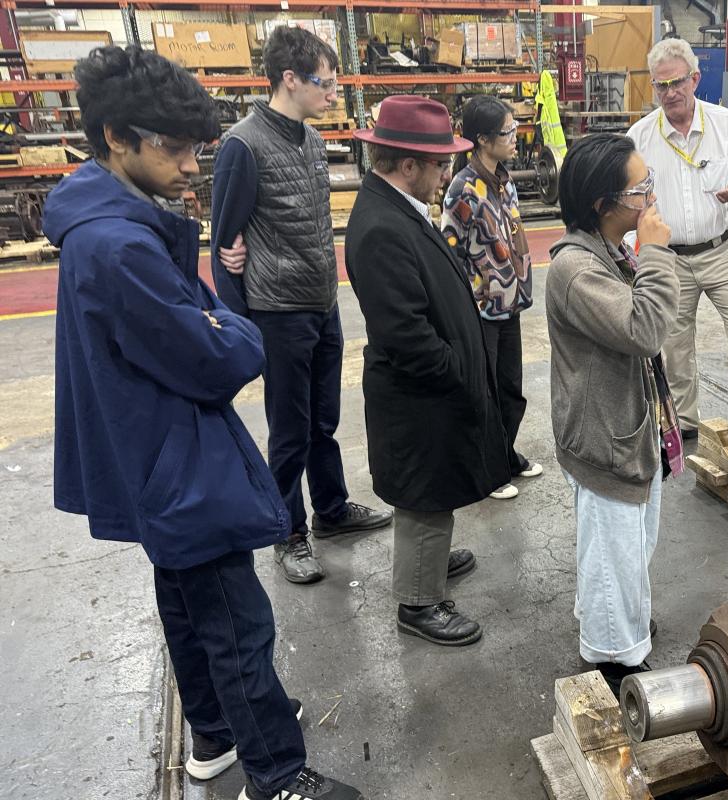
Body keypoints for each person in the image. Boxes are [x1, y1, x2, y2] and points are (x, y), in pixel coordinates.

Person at [46, 45, 362, 800]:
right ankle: (278, 775)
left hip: (154, 456)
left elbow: (207, 317)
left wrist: (216, 317)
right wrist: (230, 326)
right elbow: (222, 356)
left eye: (196, 148)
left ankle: (217, 735)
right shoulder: (119, 248)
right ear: (118, 137)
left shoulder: (113, 223)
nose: (193, 167)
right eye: (176, 148)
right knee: (235, 622)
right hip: (179, 463)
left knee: (188, 607)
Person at [210, 26, 391, 586]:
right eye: (326, 82)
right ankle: (286, 532)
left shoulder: (312, 143)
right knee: (289, 430)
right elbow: (224, 244)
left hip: (321, 305)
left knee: (325, 421)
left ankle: (331, 510)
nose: (334, 93)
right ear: (290, 79)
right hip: (277, 313)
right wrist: (244, 325)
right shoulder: (242, 145)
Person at [345, 95, 511, 647]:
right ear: (408, 165)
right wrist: (457, 372)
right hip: (418, 395)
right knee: (424, 497)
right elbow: (408, 338)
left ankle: (430, 562)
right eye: (440, 164)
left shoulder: (396, 210)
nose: (447, 174)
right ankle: (419, 601)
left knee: (435, 490)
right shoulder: (381, 230)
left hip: (429, 391)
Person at [545, 133, 682, 694]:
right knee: (614, 548)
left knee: (625, 544)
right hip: (604, 434)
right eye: (639, 189)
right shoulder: (577, 271)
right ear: (603, 205)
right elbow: (644, 330)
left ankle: (615, 621)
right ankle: (612, 658)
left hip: (625, 424)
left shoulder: (608, 252)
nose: (648, 200)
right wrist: (657, 255)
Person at [626, 38, 728, 459]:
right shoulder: (640, 138)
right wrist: (637, 254)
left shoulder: (727, 126)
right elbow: (628, 198)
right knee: (674, 342)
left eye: (677, 83)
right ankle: (683, 421)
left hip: (724, 252)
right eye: (660, 86)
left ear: (695, 79)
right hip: (670, 259)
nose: (669, 94)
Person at [442, 96, 543, 501]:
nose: (515, 139)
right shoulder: (463, 190)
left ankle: (504, 454)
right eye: (507, 133)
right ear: (482, 139)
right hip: (481, 309)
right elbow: (450, 250)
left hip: (511, 302)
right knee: (483, 392)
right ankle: (487, 469)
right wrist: (470, 296)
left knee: (510, 388)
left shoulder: (505, 181)